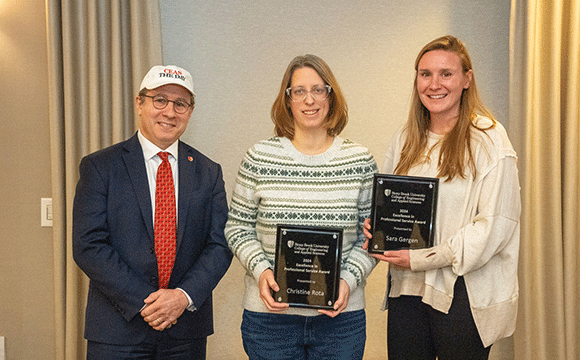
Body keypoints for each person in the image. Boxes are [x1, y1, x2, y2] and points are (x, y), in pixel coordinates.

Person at [363, 35, 521, 360]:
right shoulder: (405, 138)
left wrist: (423, 258)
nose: (434, 84)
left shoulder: (490, 139)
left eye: (446, 73)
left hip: (464, 293)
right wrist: (378, 228)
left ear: (467, 79)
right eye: (425, 74)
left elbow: (493, 228)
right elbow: (390, 204)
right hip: (407, 288)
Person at [72, 65, 233, 359]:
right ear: (140, 103)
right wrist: (148, 302)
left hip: (185, 332)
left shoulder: (208, 172)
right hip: (117, 330)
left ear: (190, 111)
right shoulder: (100, 167)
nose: (169, 112)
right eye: (160, 100)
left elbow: (220, 245)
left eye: (180, 104)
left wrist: (181, 298)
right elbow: (88, 245)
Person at [225, 54, 378, 360]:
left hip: (340, 320)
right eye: (299, 91)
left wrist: (348, 281)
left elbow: (372, 236)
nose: (310, 100)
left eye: (319, 90)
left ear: (331, 97)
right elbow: (237, 227)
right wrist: (261, 271)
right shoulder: (259, 157)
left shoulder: (360, 160)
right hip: (269, 321)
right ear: (287, 99)